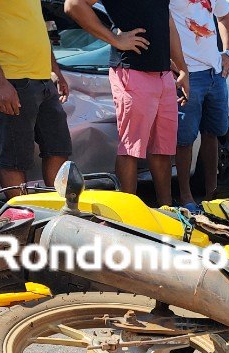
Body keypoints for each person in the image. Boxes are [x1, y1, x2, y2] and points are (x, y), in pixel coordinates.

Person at [65, 0, 190, 204]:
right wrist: (115, 39)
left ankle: (166, 211)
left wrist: (183, 68)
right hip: (131, 71)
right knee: (131, 149)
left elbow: (167, 21)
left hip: (163, 73)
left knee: (163, 149)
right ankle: (127, 218)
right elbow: (73, 5)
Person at [0, 0, 73, 194]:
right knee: (16, 160)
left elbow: (35, 25)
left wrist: (54, 70)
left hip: (41, 77)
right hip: (9, 78)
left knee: (58, 150)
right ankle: (25, 219)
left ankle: (57, 211)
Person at [171, 0, 229, 208]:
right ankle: (186, 196)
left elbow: (224, 17)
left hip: (215, 73)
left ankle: (212, 195)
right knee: (184, 139)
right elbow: (163, 26)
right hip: (188, 74)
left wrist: (228, 53)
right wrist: (178, 68)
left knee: (212, 133)